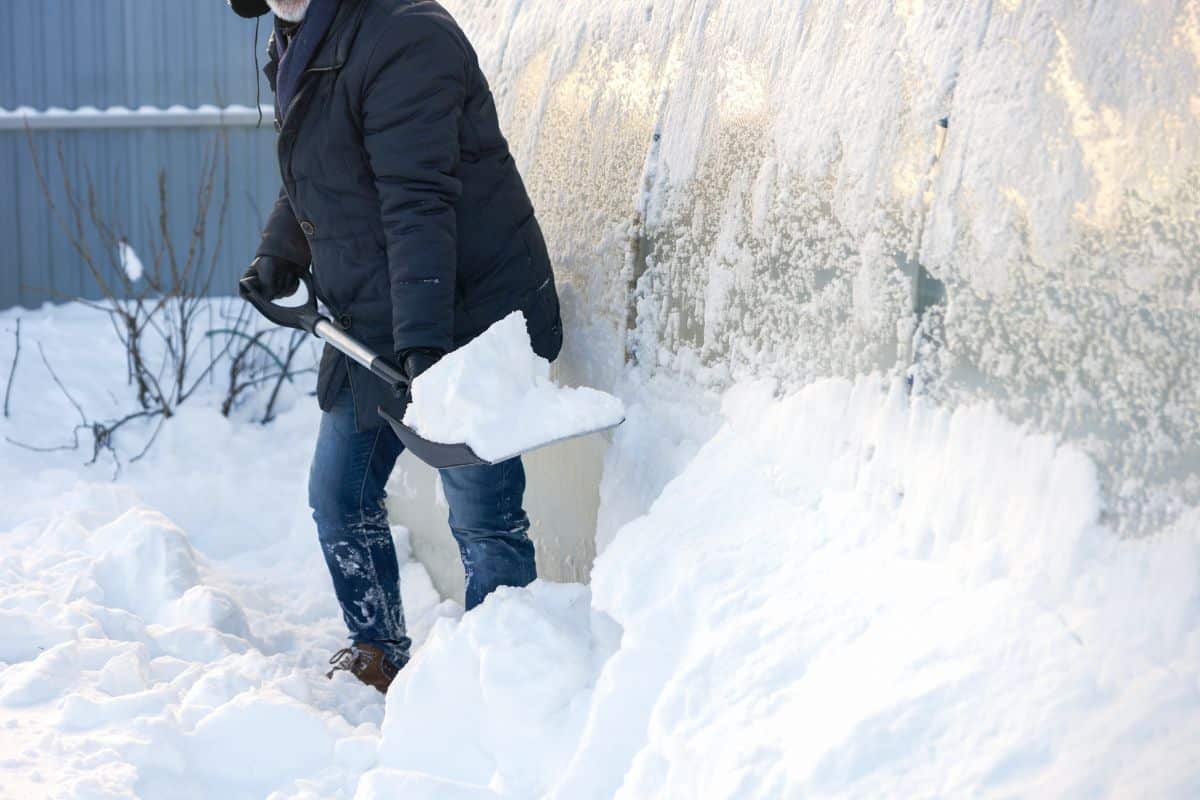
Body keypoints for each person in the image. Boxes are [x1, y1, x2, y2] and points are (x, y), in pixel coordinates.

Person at [230, 0, 562, 693]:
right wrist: (279, 251)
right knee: (338, 495)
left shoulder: (403, 33)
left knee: (482, 515)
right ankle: (378, 653)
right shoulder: (293, 40)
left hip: (465, 308)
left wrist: (424, 348)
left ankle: (511, 683)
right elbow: (326, 168)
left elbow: (418, 199)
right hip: (375, 313)